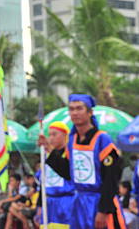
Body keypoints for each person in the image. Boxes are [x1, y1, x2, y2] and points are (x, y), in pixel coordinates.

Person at [40, 94, 126, 229]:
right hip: (80, 204)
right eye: (71, 109)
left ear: (90, 112)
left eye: (79, 108)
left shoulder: (102, 140)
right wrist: (50, 151)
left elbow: (111, 178)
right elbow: (69, 173)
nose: (75, 113)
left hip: (100, 203)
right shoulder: (72, 141)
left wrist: (103, 210)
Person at [35, 121, 74, 229]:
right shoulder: (45, 156)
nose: (51, 138)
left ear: (65, 135)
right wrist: (39, 206)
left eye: (54, 134)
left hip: (66, 203)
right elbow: (43, 183)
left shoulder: (70, 154)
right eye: (49, 134)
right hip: (48, 203)